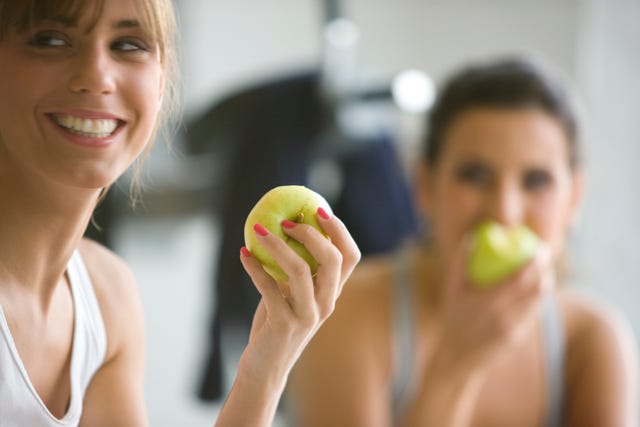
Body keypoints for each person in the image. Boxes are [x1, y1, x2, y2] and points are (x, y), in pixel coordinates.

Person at [0, 1, 360, 426]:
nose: (97, 75)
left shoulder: (105, 294)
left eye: (129, 44)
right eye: (50, 39)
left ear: (162, 81)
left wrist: (269, 362)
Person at [288, 56, 639, 427]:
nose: (505, 212)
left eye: (536, 180)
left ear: (574, 198)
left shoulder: (592, 339)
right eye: (474, 175)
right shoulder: (348, 312)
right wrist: (456, 364)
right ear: (424, 186)